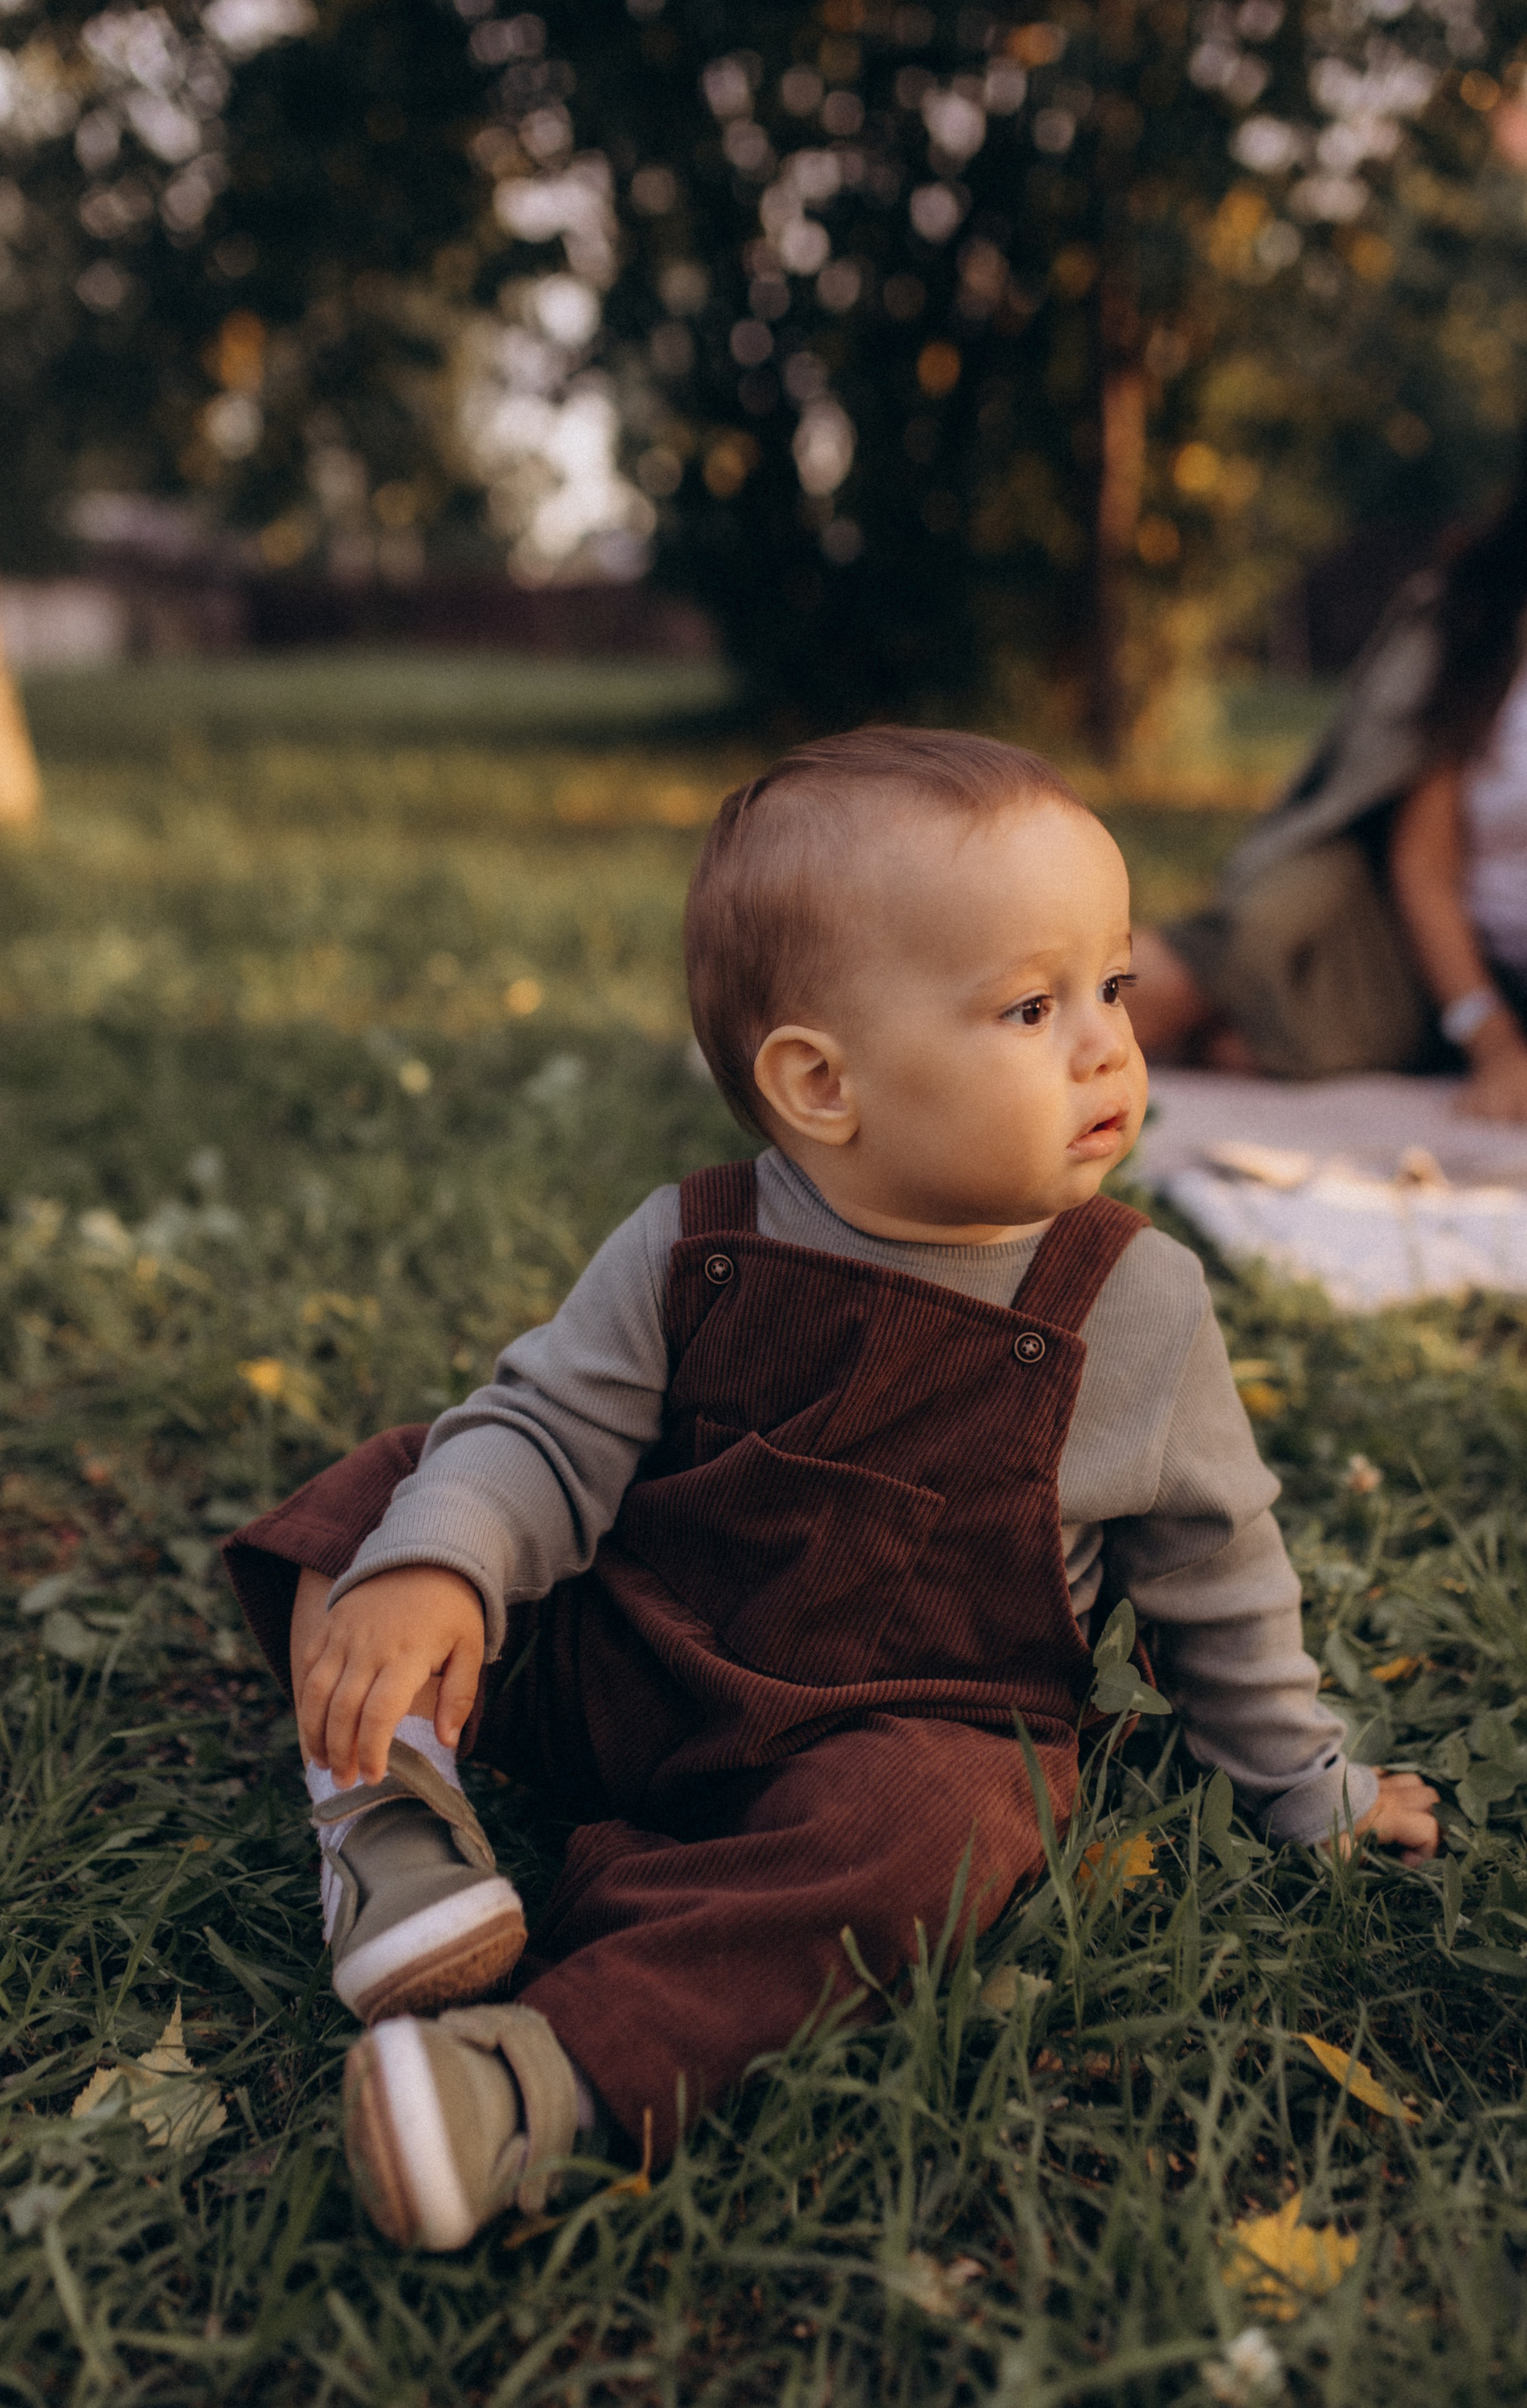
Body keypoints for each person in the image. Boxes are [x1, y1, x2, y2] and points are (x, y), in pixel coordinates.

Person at [223, 729, 1439, 2255]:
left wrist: (1306, 1792)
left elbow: (1220, 1584)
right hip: (630, 1666)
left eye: (1113, 987)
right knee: (400, 1489)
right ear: (819, 1081)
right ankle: (391, 1812)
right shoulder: (688, 1242)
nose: (1104, 1045)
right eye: (1029, 1004)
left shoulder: (1131, 1306)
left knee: (948, 1824)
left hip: (892, 1732)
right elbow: (541, 1431)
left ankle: (536, 2076)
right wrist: (447, 1563)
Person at [1129, 303, 1527, 1123]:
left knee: (1241, 1054)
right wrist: (1492, 1042)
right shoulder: (1489, 615)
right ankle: (914, 1058)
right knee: (1200, 974)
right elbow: (1422, 860)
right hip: (1399, 930)